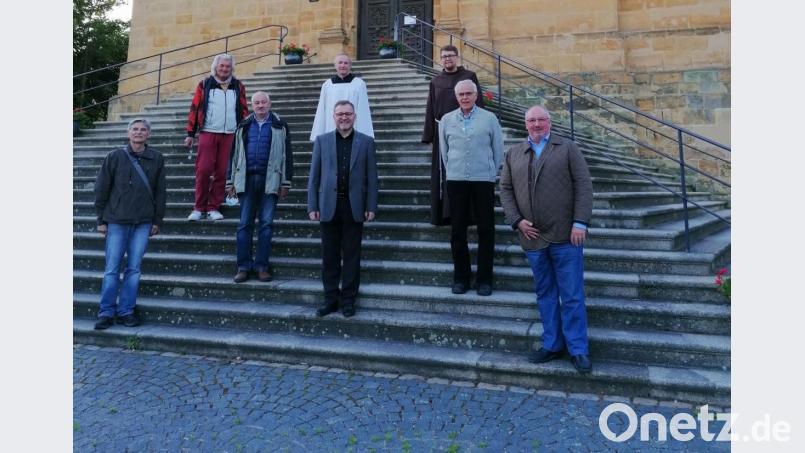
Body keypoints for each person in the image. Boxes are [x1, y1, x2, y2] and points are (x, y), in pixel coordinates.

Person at [499, 105, 594, 374]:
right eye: (532, 120)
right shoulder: (514, 153)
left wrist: (580, 222)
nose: (537, 124)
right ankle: (552, 344)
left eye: (541, 119)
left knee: (572, 295)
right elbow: (505, 189)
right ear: (525, 124)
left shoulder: (567, 148)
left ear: (549, 122)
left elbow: (584, 184)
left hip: (566, 235)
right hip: (532, 237)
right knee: (545, 294)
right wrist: (517, 220)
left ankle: (578, 349)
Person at [93, 118, 167, 330]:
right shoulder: (114, 156)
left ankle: (126, 311)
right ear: (128, 133)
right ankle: (106, 312)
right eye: (135, 129)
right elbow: (101, 188)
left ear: (148, 134)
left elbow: (160, 192)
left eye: (143, 129)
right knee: (112, 269)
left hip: (143, 222)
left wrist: (157, 220)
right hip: (116, 220)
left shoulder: (157, 158)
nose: (138, 132)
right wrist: (101, 220)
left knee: (134, 269)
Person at [307, 100, 378, 318]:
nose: (344, 117)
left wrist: (371, 205)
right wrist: (312, 205)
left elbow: (372, 178)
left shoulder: (366, 142)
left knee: (352, 257)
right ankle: (330, 299)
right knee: (329, 257)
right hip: (328, 206)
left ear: (354, 116)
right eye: (340, 114)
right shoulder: (322, 141)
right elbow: (314, 177)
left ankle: (348, 300)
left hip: (354, 207)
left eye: (348, 114)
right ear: (334, 117)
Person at [438, 79, 503, 297]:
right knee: (457, 230)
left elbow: (498, 149)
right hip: (456, 180)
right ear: (456, 97)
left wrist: (490, 172)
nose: (465, 97)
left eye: (468, 93)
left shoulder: (489, 118)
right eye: (461, 94)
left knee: (486, 229)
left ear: (476, 95)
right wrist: (453, 172)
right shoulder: (447, 120)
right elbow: (444, 152)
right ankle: (461, 278)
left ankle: (484, 280)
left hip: (483, 180)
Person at [225, 91, 293, 283]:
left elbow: (287, 155)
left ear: (269, 104)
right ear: (252, 105)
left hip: (270, 180)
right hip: (246, 180)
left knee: (266, 224)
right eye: (257, 103)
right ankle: (243, 267)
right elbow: (234, 154)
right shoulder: (243, 125)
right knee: (244, 224)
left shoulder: (280, 125)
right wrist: (230, 181)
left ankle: (262, 266)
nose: (260, 105)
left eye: (264, 102)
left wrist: (286, 182)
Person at [422, 45, 483, 226]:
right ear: (440, 59)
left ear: (457, 57)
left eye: (450, 55)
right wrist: (429, 136)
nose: (447, 59)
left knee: (466, 171)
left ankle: (469, 214)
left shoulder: (469, 76)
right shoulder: (436, 81)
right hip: (442, 132)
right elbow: (430, 108)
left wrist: (479, 127)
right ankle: (444, 214)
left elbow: (478, 103)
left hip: (465, 130)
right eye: (444, 56)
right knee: (444, 173)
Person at [184, 53, 249, 221]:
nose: (224, 69)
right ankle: (199, 207)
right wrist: (190, 133)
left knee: (222, 172)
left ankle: (213, 206)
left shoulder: (238, 85)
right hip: (208, 131)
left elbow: (243, 109)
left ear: (231, 68)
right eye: (222, 66)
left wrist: (245, 132)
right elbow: (195, 107)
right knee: (203, 170)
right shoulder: (205, 84)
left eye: (228, 66)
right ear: (216, 67)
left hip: (230, 134)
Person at [309, 54, 374, 141]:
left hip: (353, 128)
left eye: (346, 63)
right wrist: (319, 133)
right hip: (331, 126)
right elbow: (321, 110)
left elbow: (363, 110)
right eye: (340, 63)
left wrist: (364, 135)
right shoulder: (327, 85)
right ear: (335, 65)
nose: (343, 65)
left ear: (350, 66)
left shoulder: (359, 84)